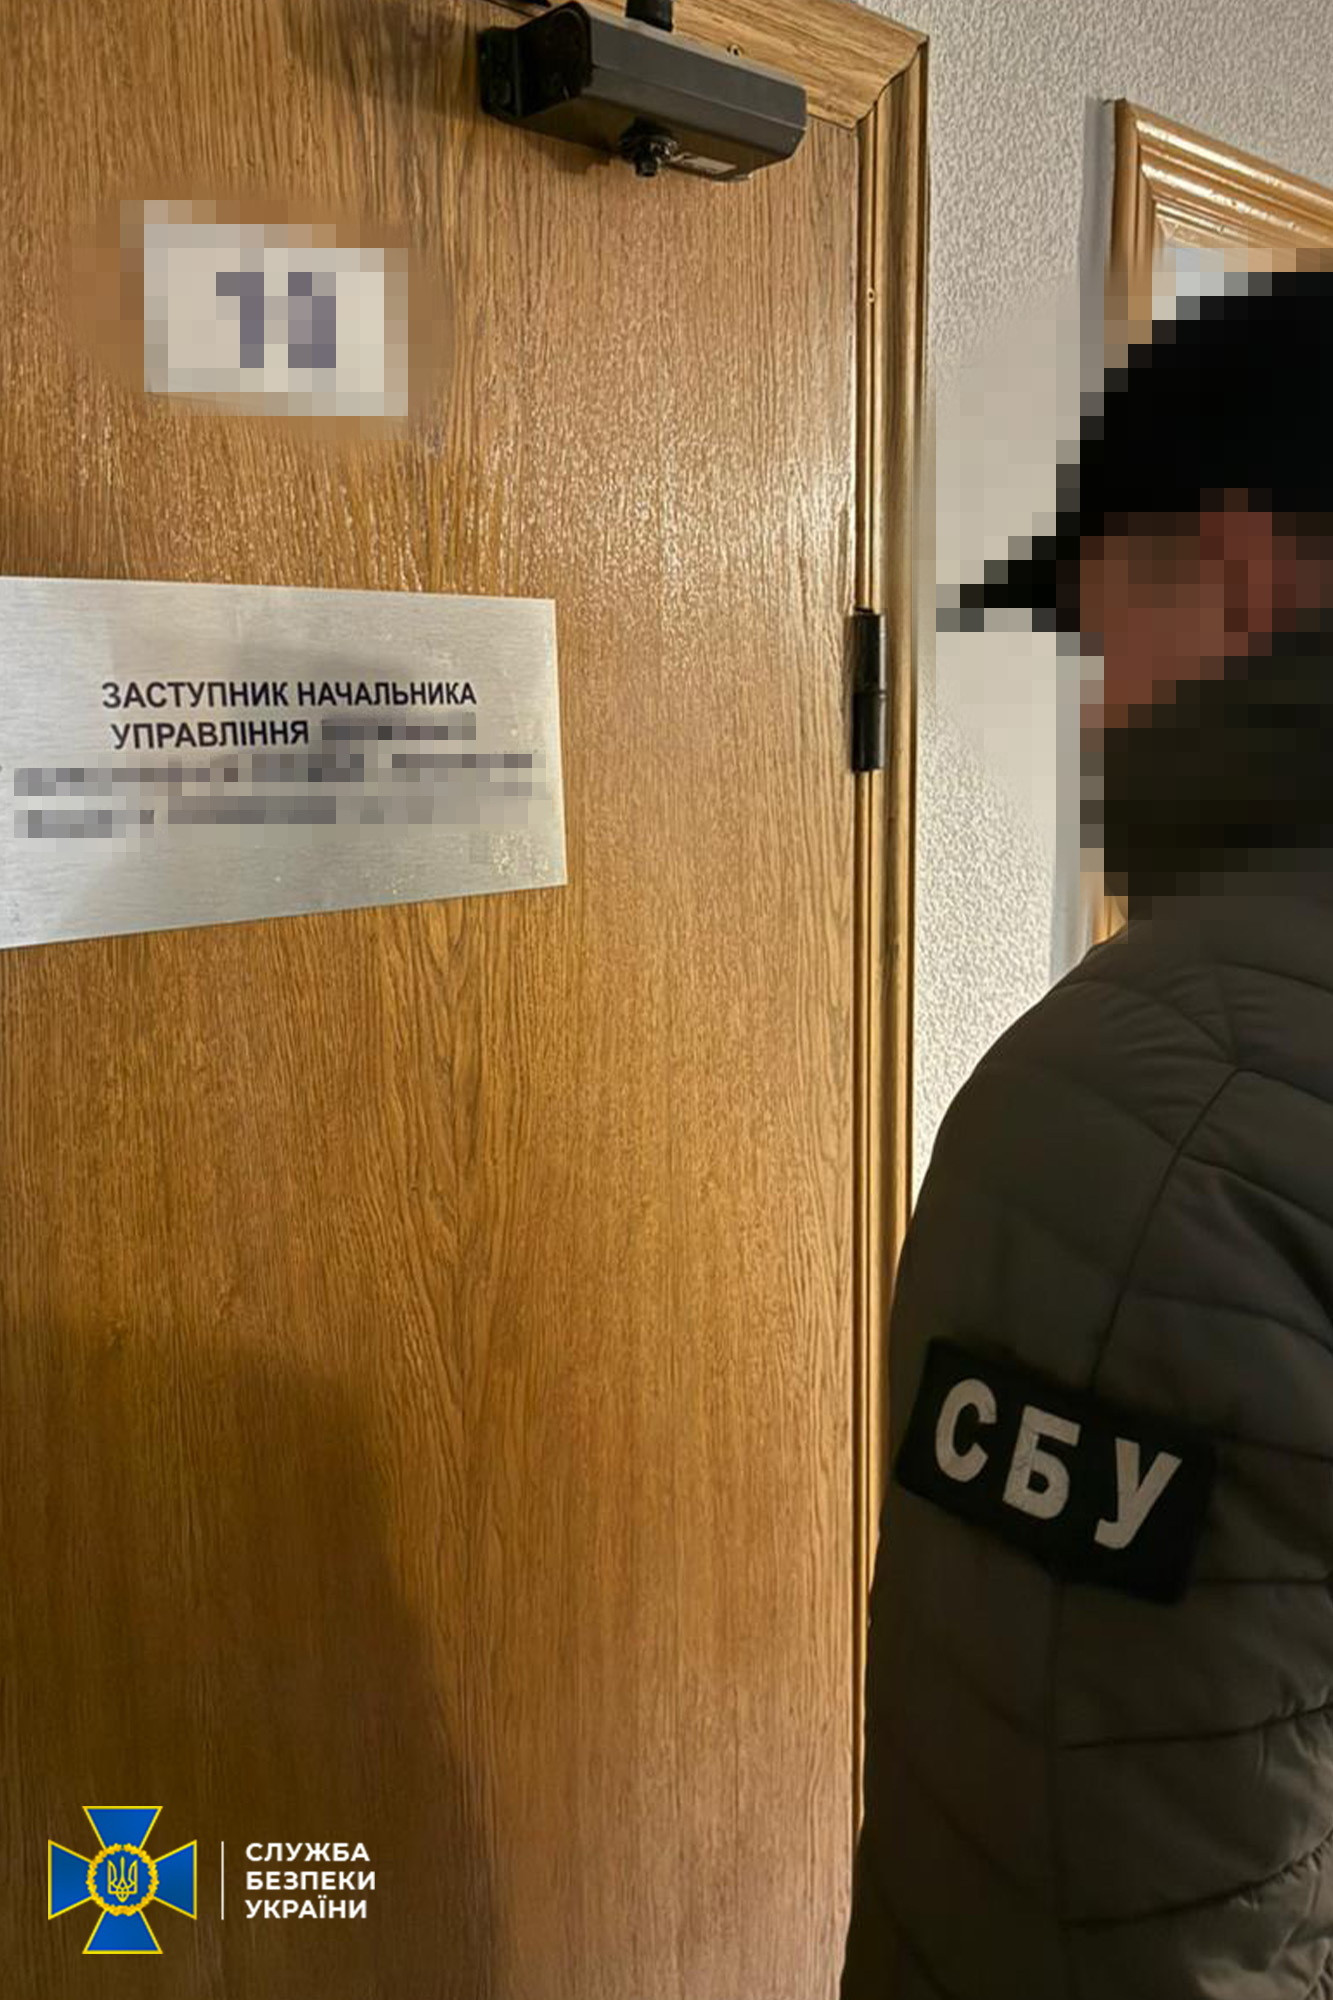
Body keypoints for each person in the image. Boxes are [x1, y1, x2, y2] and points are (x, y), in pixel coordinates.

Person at [839, 262, 1333, 2000]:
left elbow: (1069, 1927)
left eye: (1098, 629)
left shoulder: (1134, 1128)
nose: (1091, 704)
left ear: (1230, 577)